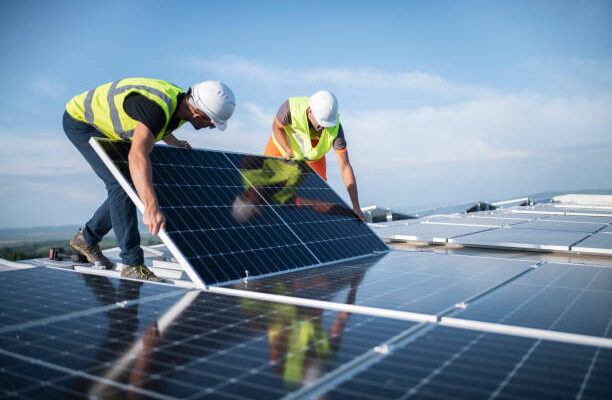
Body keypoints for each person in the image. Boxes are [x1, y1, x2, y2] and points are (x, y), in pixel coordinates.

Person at [63, 78, 235, 281]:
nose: (212, 127)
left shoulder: (182, 104)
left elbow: (158, 124)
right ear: (199, 113)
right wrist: (151, 208)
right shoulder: (157, 108)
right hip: (82, 121)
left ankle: (87, 238)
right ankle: (132, 264)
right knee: (122, 184)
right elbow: (137, 154)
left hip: (107, 127)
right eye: (212, 122)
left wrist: (174, 142)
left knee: (135, 183)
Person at [264, 90, 365, 221]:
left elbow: (345, 167)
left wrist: (356, 206)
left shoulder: (335, 129)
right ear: (310, 112)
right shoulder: (290, 107)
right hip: (282, 152)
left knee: (318, 198)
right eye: (321, 123)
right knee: (269, 195)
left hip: (314, 158)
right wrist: (287, 150)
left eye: (327, 124)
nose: (323, 127)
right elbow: (276, 127)